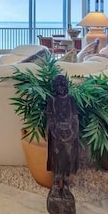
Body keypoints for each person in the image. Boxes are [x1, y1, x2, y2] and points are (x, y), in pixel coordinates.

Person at [45, 74, 78, 206]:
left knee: (68, 160)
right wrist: (56, 131)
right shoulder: (52, 100)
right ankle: (55, 184)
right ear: (54, 87)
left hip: (70, 135)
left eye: (63, 84)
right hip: (57, 135)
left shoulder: (71, 99)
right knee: (57, 160)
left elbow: (75, 117)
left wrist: (72, 131)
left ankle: (65, 185)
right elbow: (50, 119)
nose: (61, 88)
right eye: (58, 85)